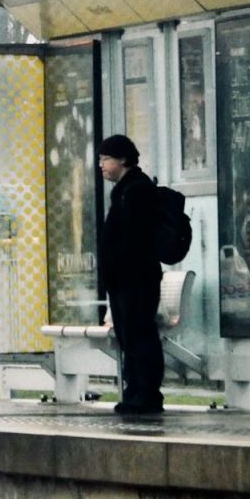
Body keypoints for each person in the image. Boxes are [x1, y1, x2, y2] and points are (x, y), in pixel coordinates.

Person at [98, 134, 164, 414]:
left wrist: (117, 267)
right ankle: (135, 391)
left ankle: (146, 393)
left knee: (138, 333)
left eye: (105, 159)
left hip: (135, 279)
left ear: (122, 159)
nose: (101, 165)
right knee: (129, 334)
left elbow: (133, 240)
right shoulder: (125, 190)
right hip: (126, 279)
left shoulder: (136, 191)